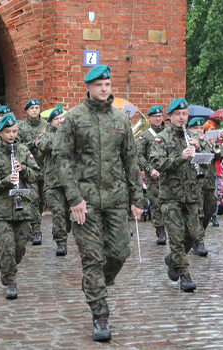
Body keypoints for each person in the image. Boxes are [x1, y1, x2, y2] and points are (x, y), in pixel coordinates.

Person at [53, 65, 145, 341]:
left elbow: (131, 161)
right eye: (99, 85)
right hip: (86, 202)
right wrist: (74, 198)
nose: (104, 89)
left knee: (119, 254)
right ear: (89, 87)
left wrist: (136, 199)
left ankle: (96, 285)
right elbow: (61, 160)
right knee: (92, 257)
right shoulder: (73, 119)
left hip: (116, 199)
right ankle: (100, 315)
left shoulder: (120, 120)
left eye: (107, 84)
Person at [0, 113, 40, 299]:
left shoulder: (22, 150)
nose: (11, 135)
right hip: (1, 208)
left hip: (22, 207)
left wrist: (24, 170)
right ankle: (11, 281)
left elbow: (37, 174)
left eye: (14, 131)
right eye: (8, 132)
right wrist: (5, 181)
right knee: (7, 245)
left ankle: (7, 268)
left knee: (19, 247)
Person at [149, 100, 204, 293]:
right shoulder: (162, 138)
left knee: (194, 234)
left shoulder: (194, 136)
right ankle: (185, 274)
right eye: (178, 114)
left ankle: (174, 260)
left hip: (192, 194)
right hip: (171, 195)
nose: (182, 117)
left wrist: (201, 150)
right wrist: (181, 157)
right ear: (170, 116)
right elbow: (157, 162)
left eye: (185, 114)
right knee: (177, 236)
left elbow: (210, 161)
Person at [35, 106, 71, 256]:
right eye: (56, 119)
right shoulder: (45, 134)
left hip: (69, 180)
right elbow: (45, 146)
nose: (59, 121)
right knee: (58, 212)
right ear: (50, 121)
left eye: (61, 118)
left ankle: (65, 229)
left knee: (67, 213)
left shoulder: (70, 134)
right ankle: (61, 242)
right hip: (52, 182)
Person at [186, 117, 223, 256]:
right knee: (198, 212)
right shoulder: (188, 141)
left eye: (201, 128)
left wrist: (214, 146)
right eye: (196, 129)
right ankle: (198, 241)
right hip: (194, 183)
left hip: (209, 182)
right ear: (190, 129)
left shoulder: (208, 141)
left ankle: (197, 236)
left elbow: (221, 156)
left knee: (210, 209)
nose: (199, 131)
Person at [17, 98, 49, 245]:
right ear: (27, 111)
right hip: (29, 168)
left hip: (44, 167)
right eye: (32, 108)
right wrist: (33, 144)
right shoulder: (21, 127)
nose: (35, 110)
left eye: (37, 107)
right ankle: (36, 230)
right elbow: (17, 146)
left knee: (42, 200)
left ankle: (35, 222)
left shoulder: (45, 126)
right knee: (33, 199)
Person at [136, 105, 166, 244]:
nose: (158, 119)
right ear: (150, 118)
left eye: (160, 116)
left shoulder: (169, 132)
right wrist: (149, 169)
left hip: (168, 175)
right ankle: (160, 232)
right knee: (156, 204)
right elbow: (139, 156)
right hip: (153, 176)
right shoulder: (145, 135)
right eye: (155, 117)